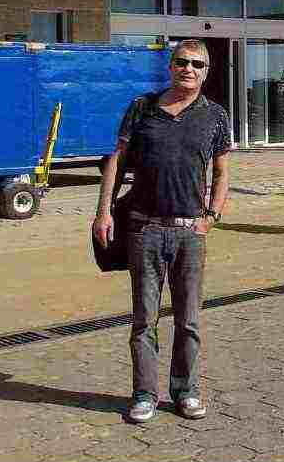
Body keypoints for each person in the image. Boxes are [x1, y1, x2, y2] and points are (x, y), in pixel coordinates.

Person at [93, 39, 231, 424]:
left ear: (206, 72)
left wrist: (211, 217)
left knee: (188, 320)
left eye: (197, 64)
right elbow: (117, 161)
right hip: (144, 229)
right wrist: (103, 213)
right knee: (144, 319)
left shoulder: (215, 116)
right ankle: (144, 394)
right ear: (170, 66)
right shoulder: (142, 108)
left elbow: (222, 173)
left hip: (190, 233)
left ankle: (186, 390)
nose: (189, 69)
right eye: (182, 62)